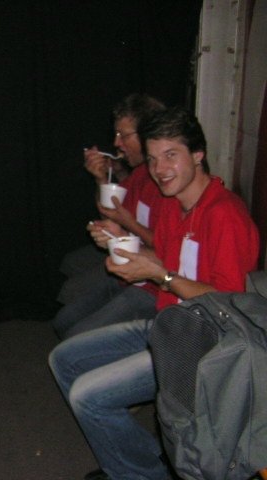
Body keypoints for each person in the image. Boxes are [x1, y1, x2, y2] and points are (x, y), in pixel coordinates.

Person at [49, 107, 260, 480]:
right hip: (168, 324)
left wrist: (159, 275)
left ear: (198, 155)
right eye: (152, 158)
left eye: (171, 155)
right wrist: (122, 241)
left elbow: (229, 307)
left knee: (89, 397)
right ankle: (141, 465)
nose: (160, 168)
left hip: (206, 348)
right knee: (64, 359)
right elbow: (164, 257)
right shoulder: (174, 206)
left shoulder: (224, 214)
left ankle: (138, 473)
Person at [53, 94, 166, 339]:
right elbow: (111, 211)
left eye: (123, 135)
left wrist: (125, 225)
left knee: (76, 331)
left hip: (153, 287)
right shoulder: (141, 174)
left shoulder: (168, 183)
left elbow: (169, 253)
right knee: (63, 321)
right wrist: (101, 177)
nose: (116, 143)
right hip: (132, 273)